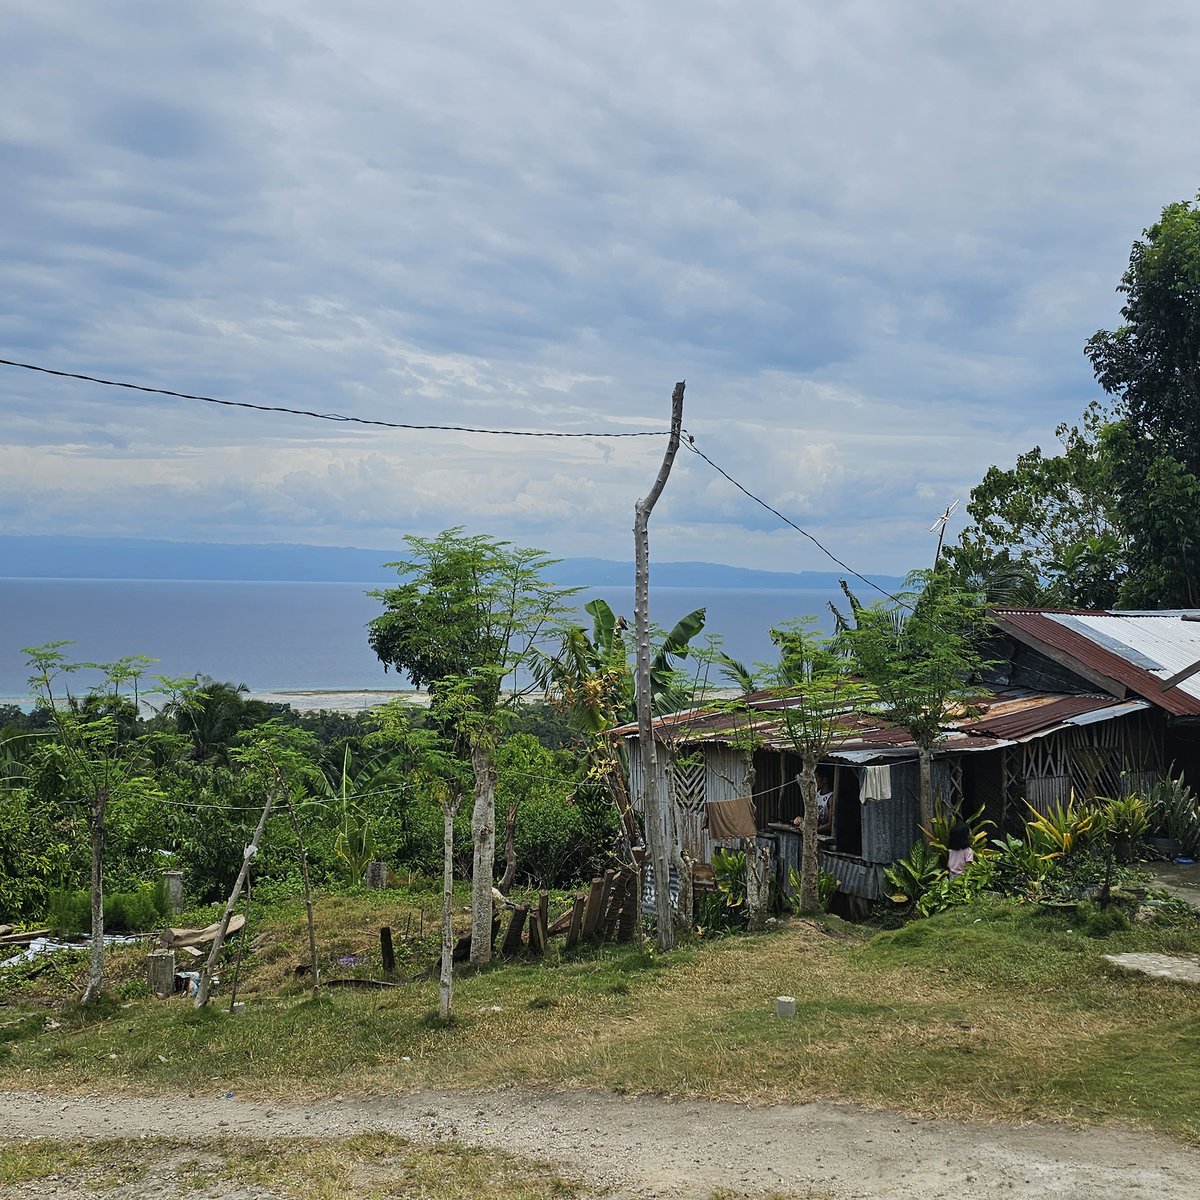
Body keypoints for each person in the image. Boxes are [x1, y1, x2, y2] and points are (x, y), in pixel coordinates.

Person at [793, 769, 834, 836]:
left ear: (824, 780)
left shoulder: (831, 798)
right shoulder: (816, 794)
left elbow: (830, 825)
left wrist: (812, 830)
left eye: (816, 778)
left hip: (824, 835)